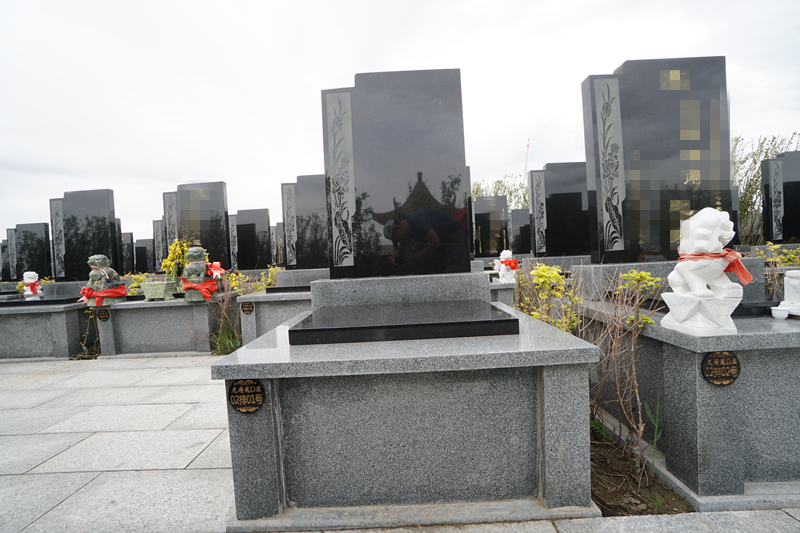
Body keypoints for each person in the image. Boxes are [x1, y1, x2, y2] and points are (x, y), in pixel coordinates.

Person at [384, 208, 469, 273]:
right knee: (439, 272)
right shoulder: (407, 226)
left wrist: (416, 256)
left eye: (397, 239)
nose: (399, 241)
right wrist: (394, 257)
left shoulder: (416, 222)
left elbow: (436, 243)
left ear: (398, 228)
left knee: (451, 273)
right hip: (444, 241)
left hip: (454, 238)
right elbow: (402, 246)